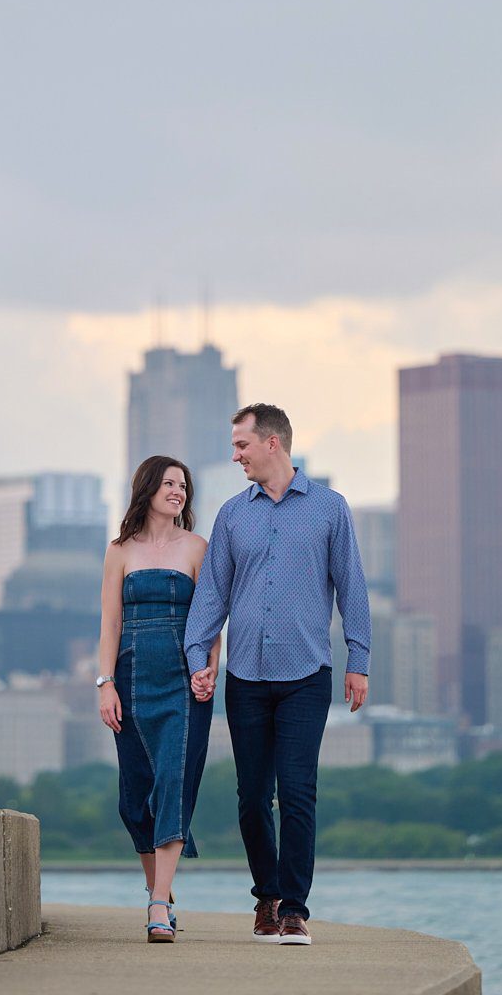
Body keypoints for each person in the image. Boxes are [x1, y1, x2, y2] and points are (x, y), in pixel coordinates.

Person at [184, 404, 371, 945]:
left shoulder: (330, 509)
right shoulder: (231, 516)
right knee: (250, 797)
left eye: (241, 445)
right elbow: (212, 595)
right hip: (245, 675)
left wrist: (358, 662)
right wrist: (200, 659)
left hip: (307, 672)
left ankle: (294, 909)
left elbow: (352, 589)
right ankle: (265, 896)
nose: (234, 455)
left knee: (297, 790)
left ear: (273, 444)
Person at [98, 455, 221, 943]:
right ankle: (162, 895)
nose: (178, 491)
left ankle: (155, 905)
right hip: (130, 678)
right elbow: (109, 623)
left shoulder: (197, 547)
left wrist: (209, 668)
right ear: (147, 488)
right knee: (134, 797)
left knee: (173, 782)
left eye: (184, 485)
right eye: (169, 483)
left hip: (184, 682)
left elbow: (211, 618)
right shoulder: (119, 550)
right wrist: (104, 683)